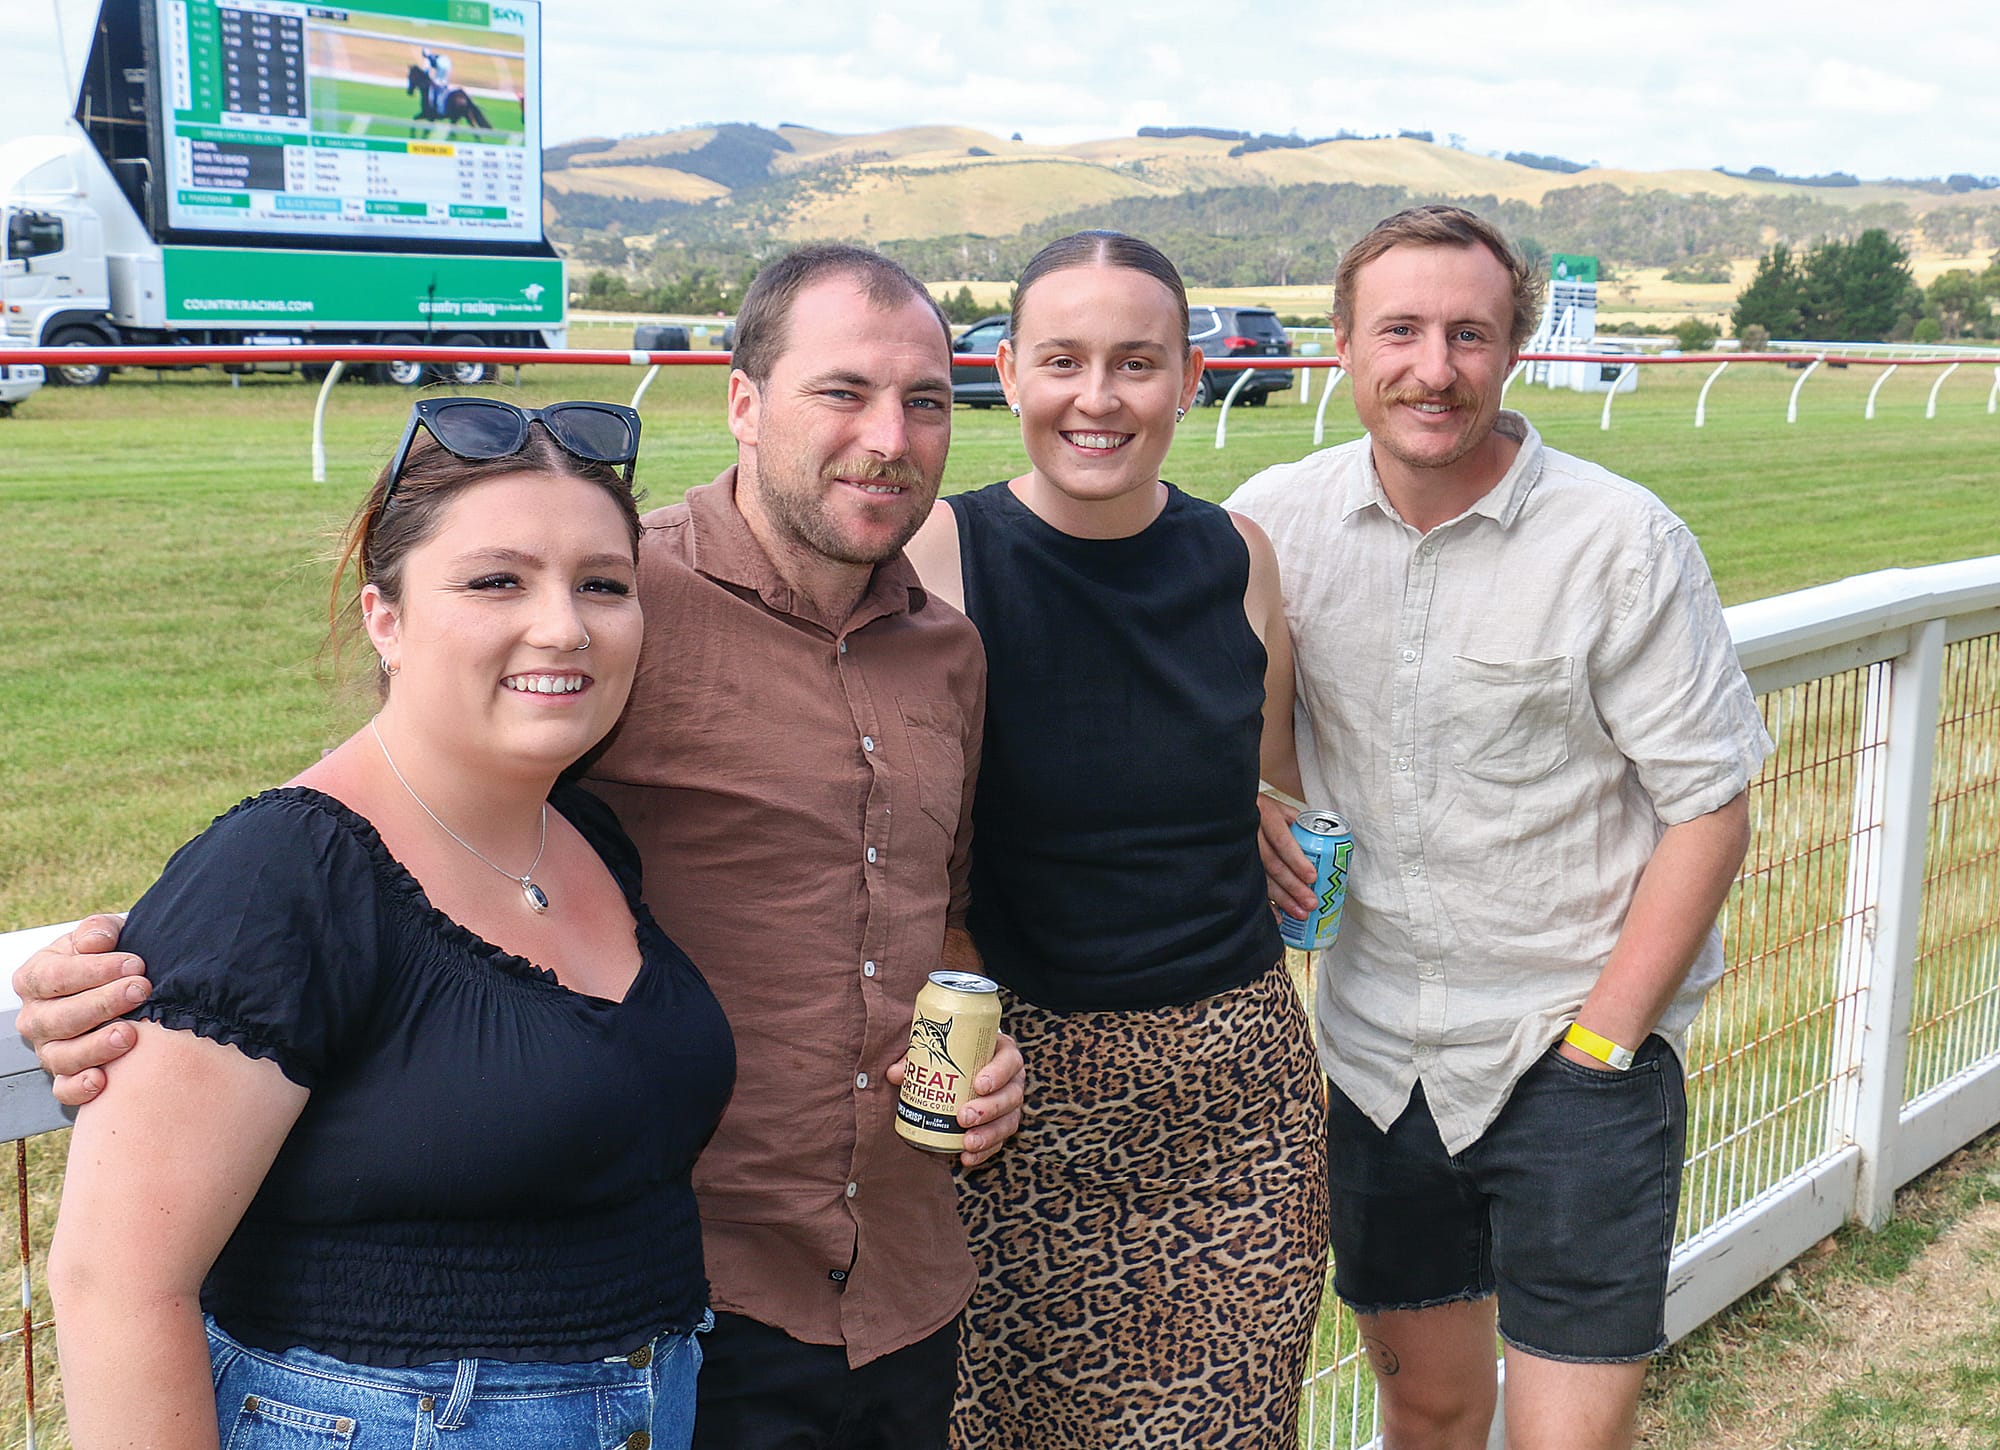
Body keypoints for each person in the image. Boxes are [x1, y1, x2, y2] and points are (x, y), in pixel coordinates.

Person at [18, 245, 1026, 1450]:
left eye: (925, 399)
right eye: (842, 390)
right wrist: (134, 974)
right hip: (691, 1309)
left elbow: (935, 905)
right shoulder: (625, 595)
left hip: (851, 1307)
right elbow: (367, 822)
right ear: (743, 404)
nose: (889, 434)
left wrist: (979, 1047)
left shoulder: (937, 656)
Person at [49, 397, 736, 1448]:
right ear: (387, 618)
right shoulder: (282, 873)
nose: (564, 624)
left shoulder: (588, 834)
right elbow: (115, 1286)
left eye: (603, 583)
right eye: (495, 580)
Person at [1227, 205, 1772, 1450]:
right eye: (1400, 331)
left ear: (1513, 346)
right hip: (1372, 1063)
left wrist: (1603, 1042)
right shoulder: (1271, 521)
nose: (1433, 368)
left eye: (1466, 334)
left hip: (1566, 1052)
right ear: (1346, 343)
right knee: (1424, 1409)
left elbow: (1708, 804)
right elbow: (1250, 747)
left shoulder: (1619, 541)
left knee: (1564, 1439)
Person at [902, 230, 1328, 1449]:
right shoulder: (941, 551)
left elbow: (1269, 780)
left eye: (1134, 363)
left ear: (1188, 378)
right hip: (1011, 1108)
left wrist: (1242, 808)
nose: (1097, 399)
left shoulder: (1236, 555)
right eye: (1063, 360)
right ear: (1008, 372)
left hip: (1233, 1104)